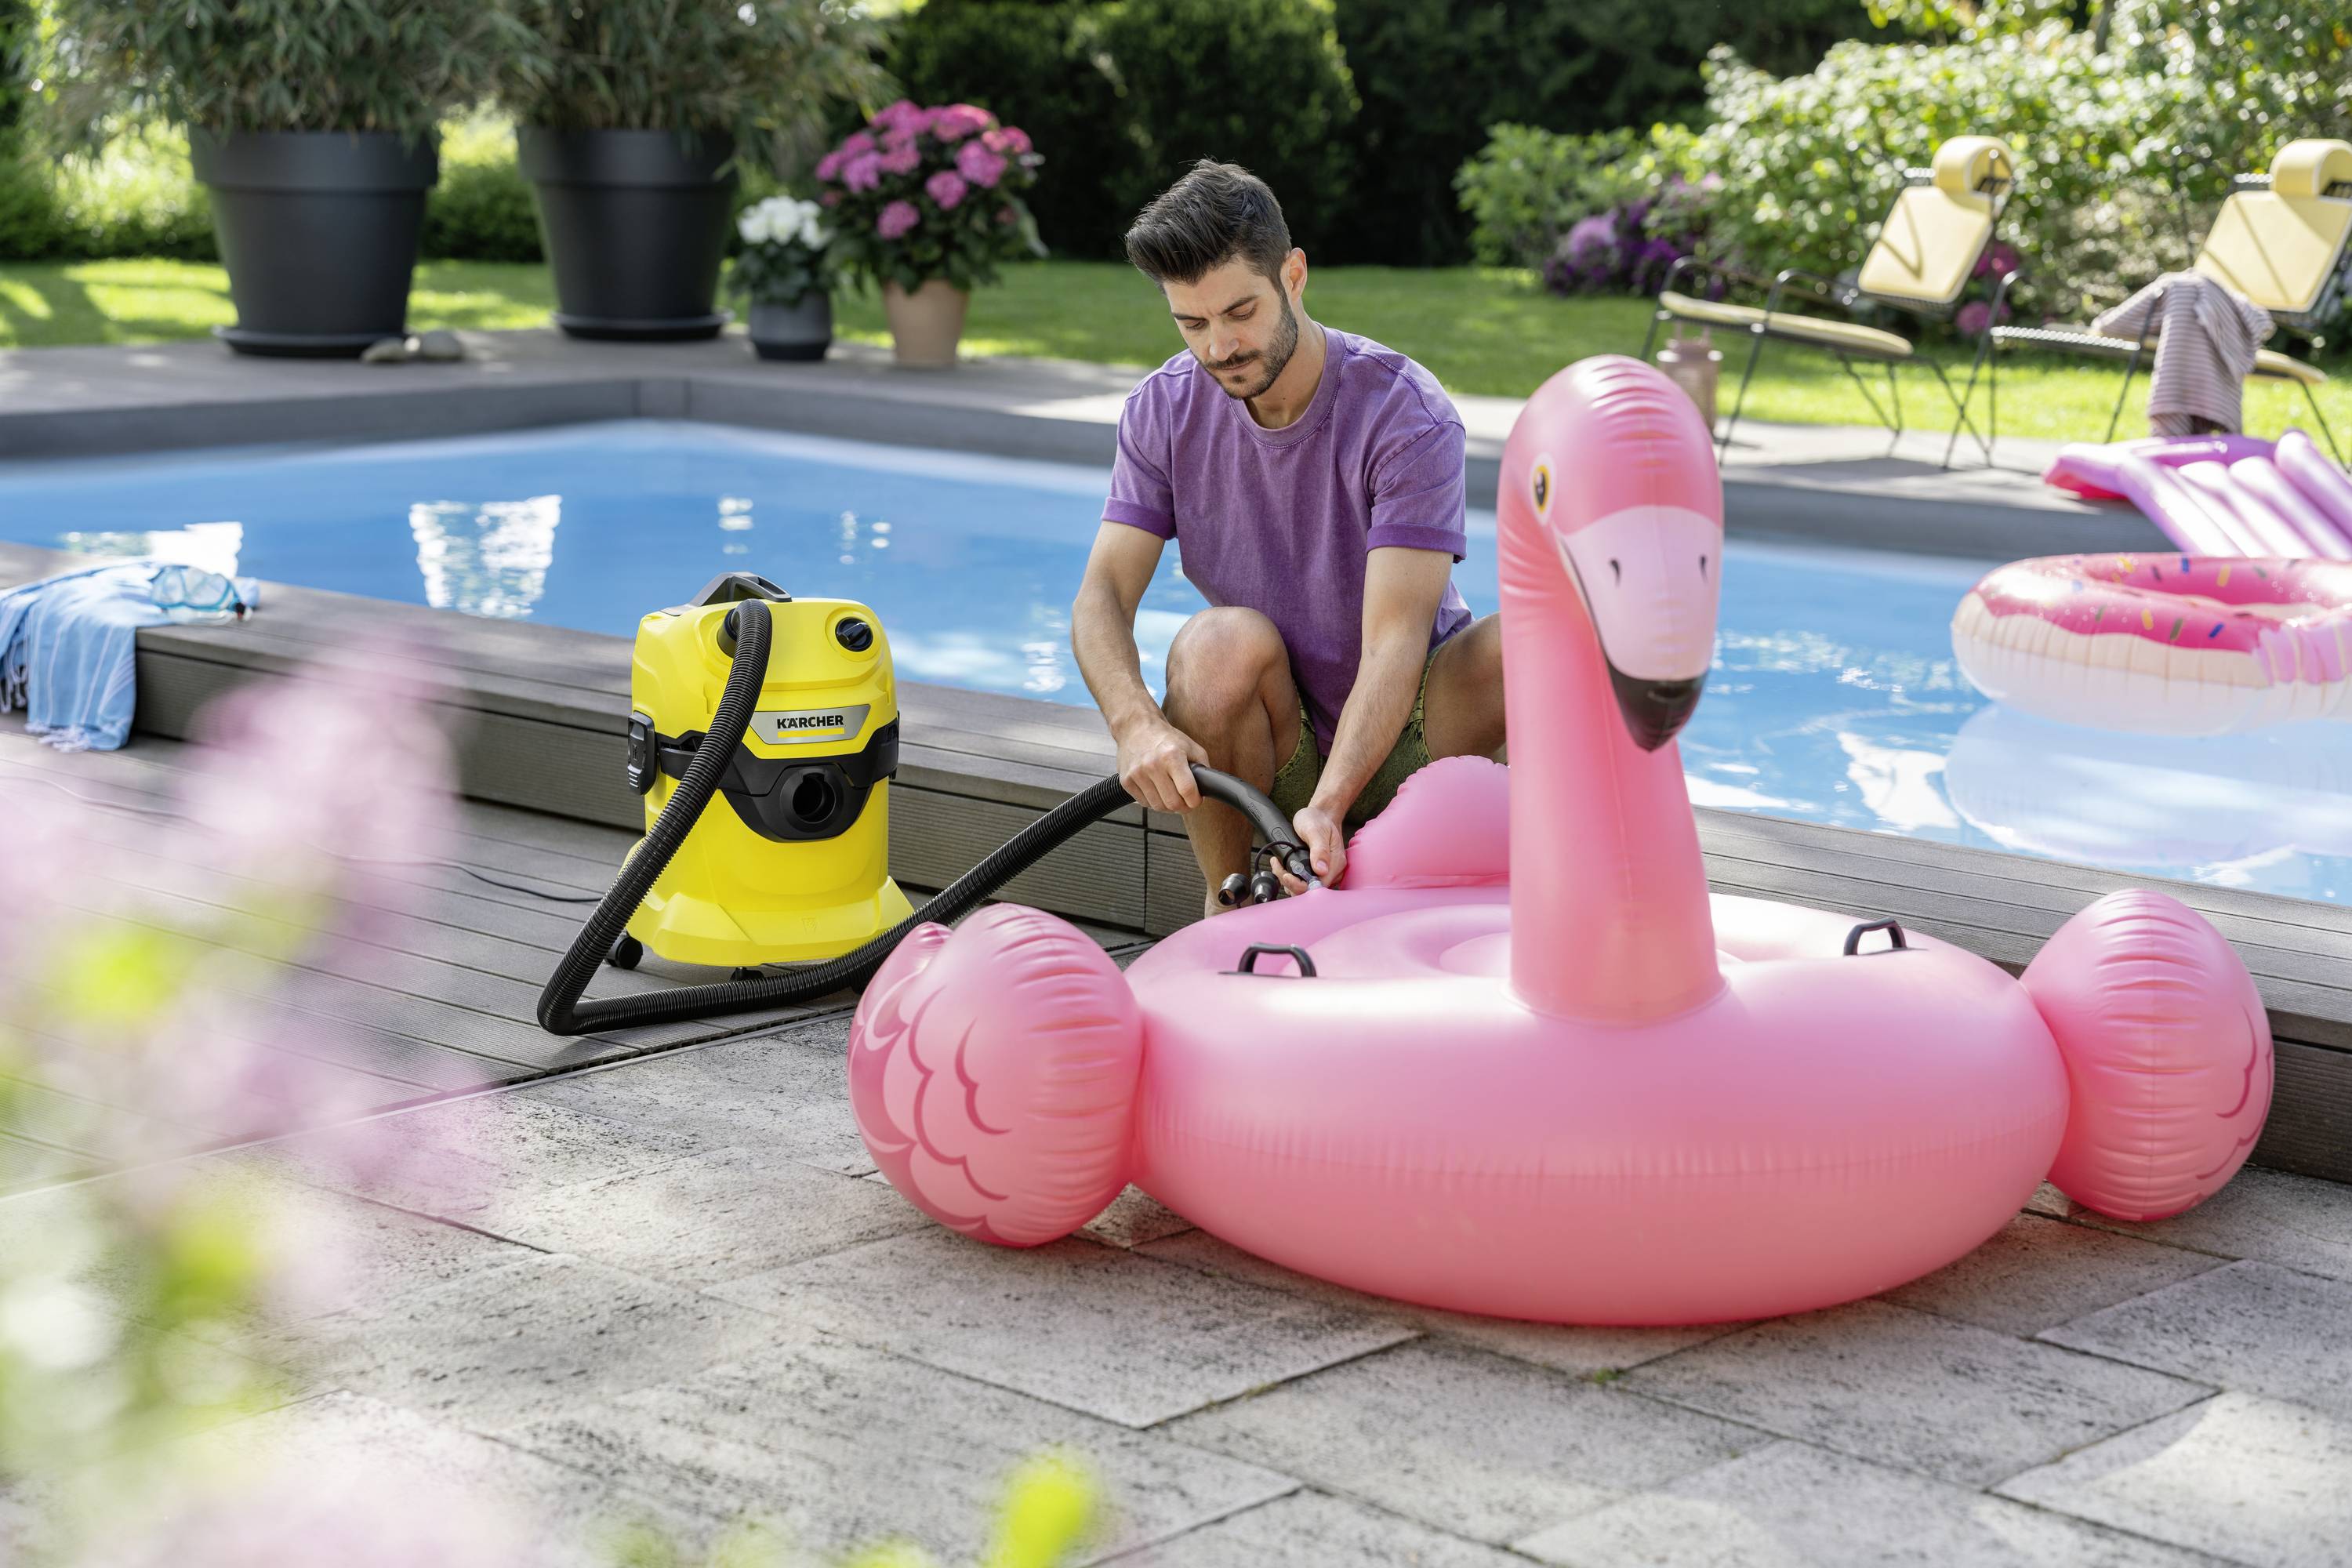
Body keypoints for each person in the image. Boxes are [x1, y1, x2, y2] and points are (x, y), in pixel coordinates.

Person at [1070, 160, 1505, 917]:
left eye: (1240, 311)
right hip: (1277, 744)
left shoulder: (1405, 413)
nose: (1219, 346)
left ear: (1294, 275)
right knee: (1213, 644)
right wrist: (1135, 723)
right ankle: (1227, 909)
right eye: (1192, 323)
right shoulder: (1163, 409)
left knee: (1538, 641)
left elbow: (1395, 643)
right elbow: (1101, 594)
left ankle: (1563, 901)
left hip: (1417, 726)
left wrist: (1329, 807)